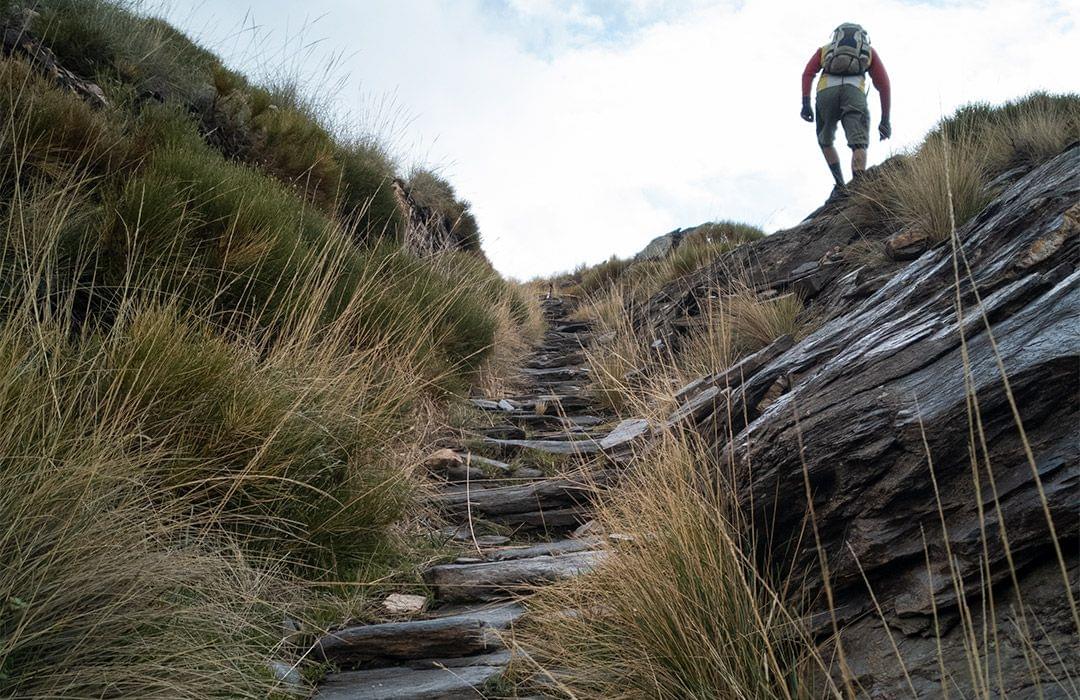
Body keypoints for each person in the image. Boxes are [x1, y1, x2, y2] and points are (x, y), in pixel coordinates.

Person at [800, 23, 891, 193]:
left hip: (825, 92)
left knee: (825, 140)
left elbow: (807, 74)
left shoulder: (825, 50)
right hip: (854, 92)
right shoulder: (868, 52)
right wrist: (885, 119)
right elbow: (884, 85)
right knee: (858, 143)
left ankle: (840, 185)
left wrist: (805, 103)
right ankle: (858, 185)